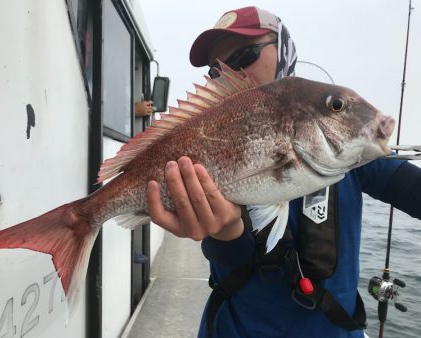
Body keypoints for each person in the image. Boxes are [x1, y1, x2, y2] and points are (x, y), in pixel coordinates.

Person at [146, 6, 421, 338]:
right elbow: (232, 260)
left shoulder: (344, 146)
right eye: (216, 70)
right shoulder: (207, 140)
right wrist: (225, 233)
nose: (231, 73)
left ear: (284, 50)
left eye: (244, 56)